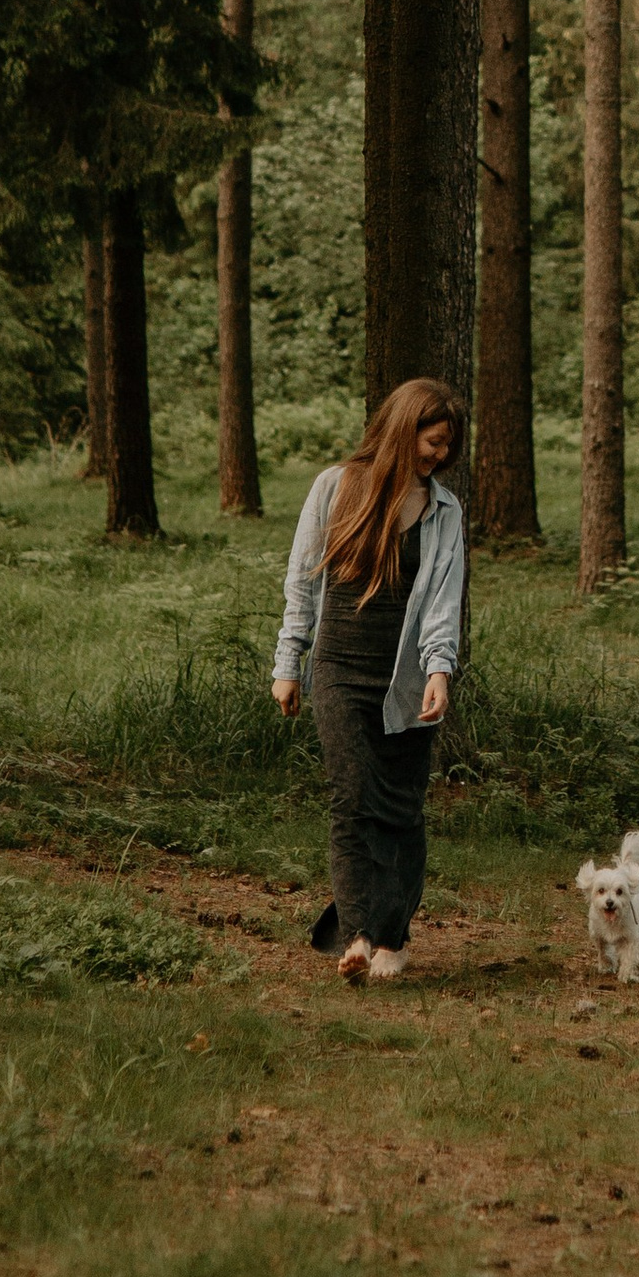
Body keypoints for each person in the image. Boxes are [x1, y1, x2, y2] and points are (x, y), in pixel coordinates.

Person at [272, 376, 467, 983]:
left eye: (445, 448)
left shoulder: (444, 509)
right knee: (351, 799)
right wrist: (288, 662)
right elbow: (303, 579)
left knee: (401, 810)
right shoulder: (336, 486)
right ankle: (357, 935)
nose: (437, 455)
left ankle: (392, 937)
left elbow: (443, 602)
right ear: (403, 426)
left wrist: (439, 670)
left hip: (406, 678)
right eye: (432, 441)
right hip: (338, 669)